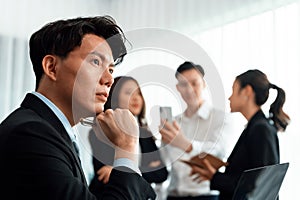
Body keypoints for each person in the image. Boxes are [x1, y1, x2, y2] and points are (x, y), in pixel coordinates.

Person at [0, 16, 156, 200]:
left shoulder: (49, 130)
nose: (109, 80)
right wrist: (126, 148)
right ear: (52, 67)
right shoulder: (29, 133)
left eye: (111, 70)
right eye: (96, 62)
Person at [190, 69, 290, 200]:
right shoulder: (255, 127)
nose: (230, 97)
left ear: (247, 91)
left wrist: (216, 178)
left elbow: (259, 186)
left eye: (233, 90)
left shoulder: (260, 129)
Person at [159, 61, 234, 200]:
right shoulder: (174, 122)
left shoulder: (221, 118)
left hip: (206, 196)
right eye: (183, 84)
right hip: (173, 196)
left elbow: (218, 151)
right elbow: (163, 163)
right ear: (177, 88)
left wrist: (187, 145)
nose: (189, 89)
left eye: (194, 83)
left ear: (204, 84)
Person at [89, 76, 168, 192]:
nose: (136, 98)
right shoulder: (100, 130)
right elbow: (104, 175)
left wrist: (121, 169)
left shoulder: (145, 134)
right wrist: (147, 169)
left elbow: (161, 174)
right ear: (115, 97)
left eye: (138, 93)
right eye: (128, 93)